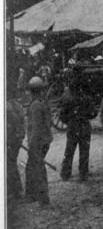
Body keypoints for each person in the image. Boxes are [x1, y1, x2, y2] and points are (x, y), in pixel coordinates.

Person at [59, 79, 97, 181]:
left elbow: (61, 116)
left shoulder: (67, 99)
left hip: (72, 127)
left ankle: (65, 173)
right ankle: (83, 174)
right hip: (84, 127)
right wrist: (85, 117)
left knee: (69, 151)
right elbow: (94, 113)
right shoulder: (86, 98)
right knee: (84, 152)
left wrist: (70, 121)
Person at [25, 76, 53, 205]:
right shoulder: (43, 102)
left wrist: (31, 143)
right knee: (34, 167)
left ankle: (42, 198)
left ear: (32, 91)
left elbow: (35, 128)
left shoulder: (35, 105)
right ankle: (35, 196)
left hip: (38, 142)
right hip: (45, 140)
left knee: (37, 169)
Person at [7, 88, 26, 200]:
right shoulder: (17, 104)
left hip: (12, 139)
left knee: (10, 163)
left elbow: (13, 122)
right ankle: (14, 189)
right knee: (11, 162)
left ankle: (15, 190)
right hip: (17, 138)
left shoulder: (8, 106)